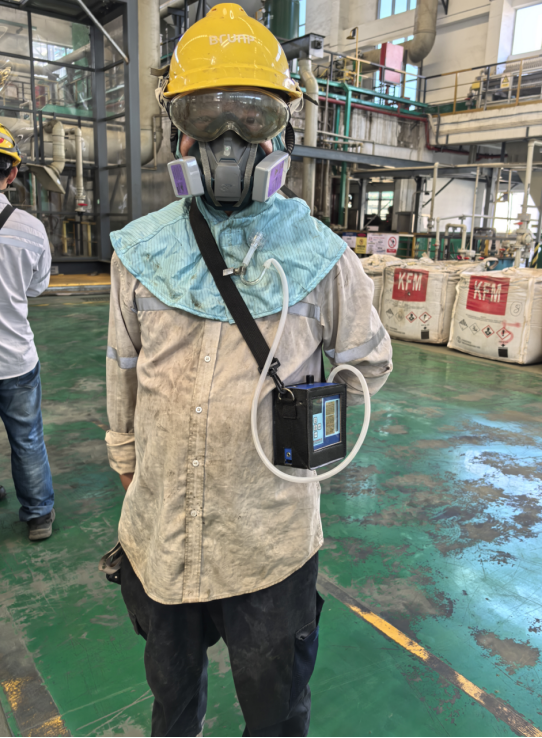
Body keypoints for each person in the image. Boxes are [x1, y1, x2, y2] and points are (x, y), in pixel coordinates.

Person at [102, 5, 393, 736]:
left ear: (279, 131)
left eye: (251, 117)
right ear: (177, 127)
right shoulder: (139, 251)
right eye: (205, 117)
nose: (226, 141)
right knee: (172, 700)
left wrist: (311, 419)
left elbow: (368, 361)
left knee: (275, 707)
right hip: (163, 529)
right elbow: (122, 365)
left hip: (269, 538)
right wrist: (127, 458)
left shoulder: (320, 255)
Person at [0, 123, 55, 540]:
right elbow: (37, 287)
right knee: (28, 438)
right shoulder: (30, 228)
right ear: (12, 173)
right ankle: (38, 515)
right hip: (15, 359)